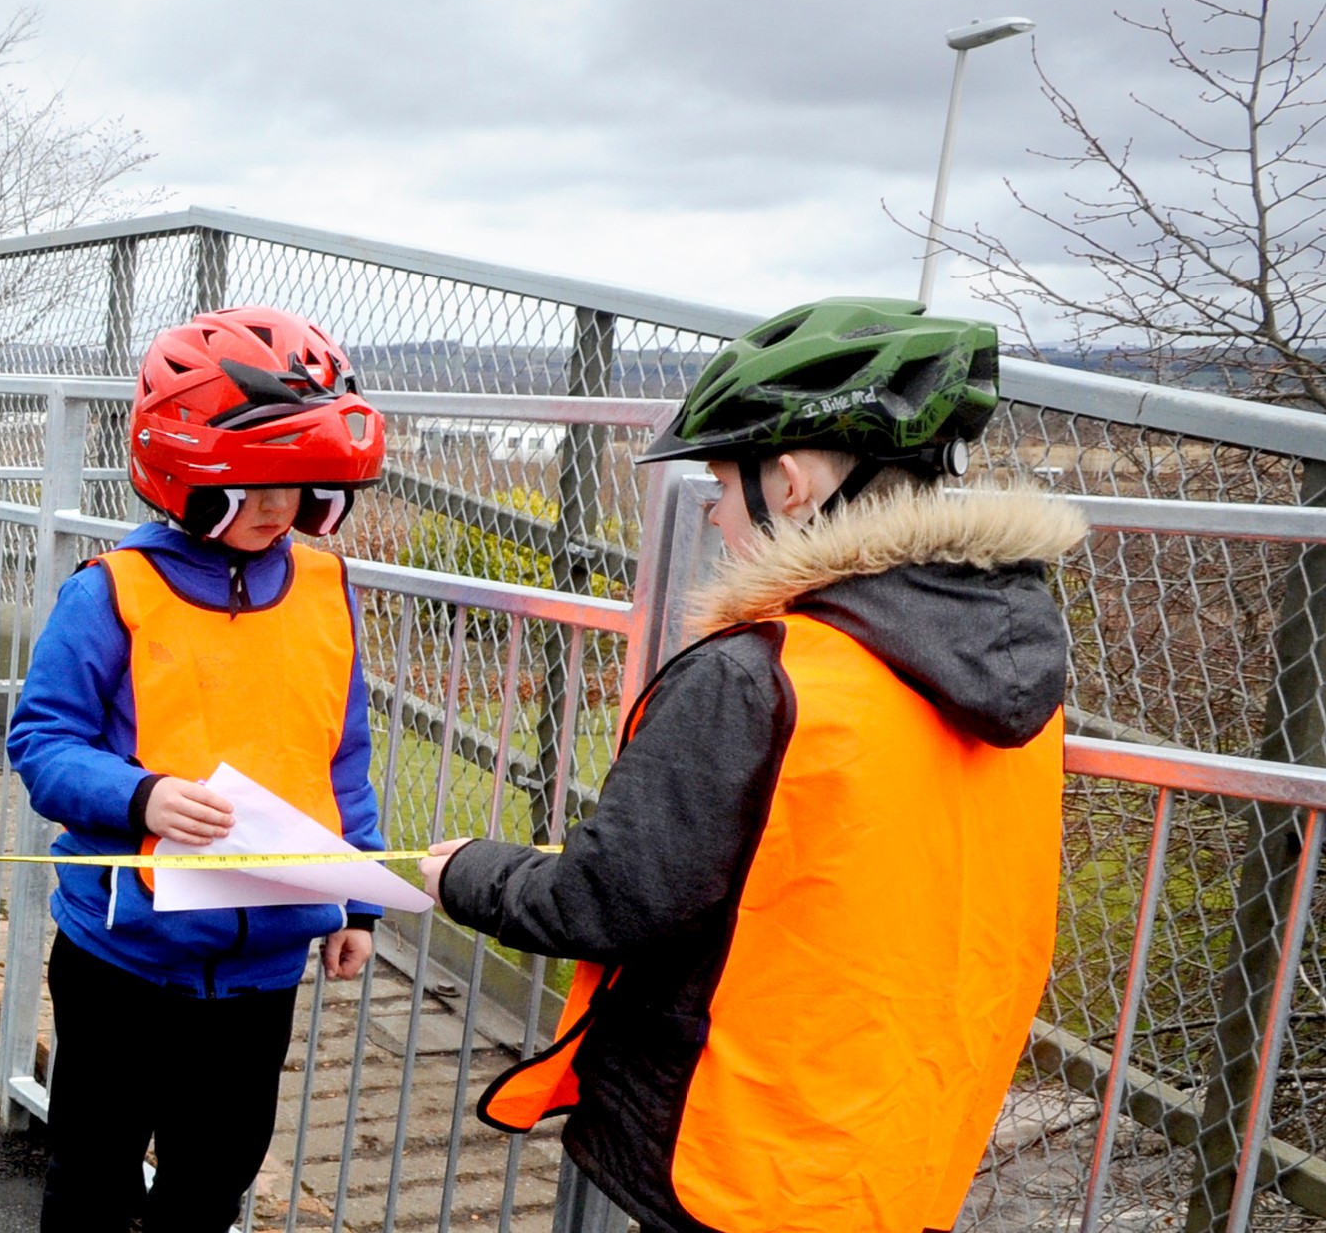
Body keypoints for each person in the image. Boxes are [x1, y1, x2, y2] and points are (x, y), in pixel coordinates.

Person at [423, 298, 1078, 1233]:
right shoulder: (1017, 679)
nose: (720, 517)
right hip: (899, 1148)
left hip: (740, 1152)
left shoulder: (760, 675)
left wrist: (467, 873)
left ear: (794, 481)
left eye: (724, 486)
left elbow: (607, 900)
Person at [5, 307, 389, 1232]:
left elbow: (342, 762)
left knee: (211, 1186)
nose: (275, 508)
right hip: (121, 959)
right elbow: (42, 744)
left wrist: (361, 903)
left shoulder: (327, 593)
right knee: (93, 1178)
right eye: (253, 483)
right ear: (186, 470)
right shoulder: (111, 591)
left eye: (295, 484)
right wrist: (143, 796)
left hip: (261, 972)